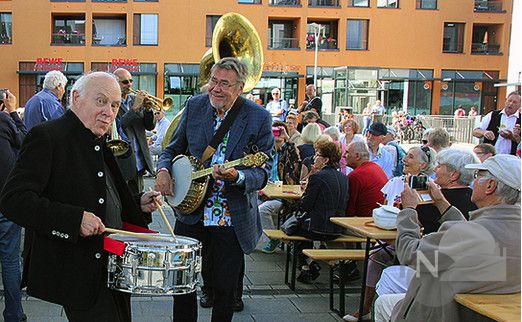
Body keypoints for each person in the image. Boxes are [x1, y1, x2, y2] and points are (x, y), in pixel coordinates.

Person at [0, 72, 161, 321]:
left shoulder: (98, 138)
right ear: (76, 97)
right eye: (101, 101)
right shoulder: (47, 136)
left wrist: (137, 202)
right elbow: (14, 200)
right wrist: (74, 221)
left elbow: (99, 191)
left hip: (113, 268)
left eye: (115, 105)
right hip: (78, 272)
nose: (109, 111)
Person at [154, 57, 273, 322]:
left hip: (230, 216)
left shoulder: (259, 117)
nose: (215, 89)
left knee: (225, 287)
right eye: (213, 81)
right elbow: (172, 148)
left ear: (240, 88)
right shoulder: (195, 105)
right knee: (182, 283)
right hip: (191, 212)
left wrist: (238, 176)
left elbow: (263, 172)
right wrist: (163, 170)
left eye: (224, 84)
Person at [376, 154, 520, 322]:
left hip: (443, 312)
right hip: (480, 313)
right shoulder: (503, 228)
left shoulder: (471, 232)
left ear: (490, 186)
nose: (473, 182)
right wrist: (441, 203)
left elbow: (410, 254)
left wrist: (408, 210)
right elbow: (473, 234)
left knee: (384, 302)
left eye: (478, 176)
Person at [294, 140, 348, 284]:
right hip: (338, 227)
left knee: (293, 229)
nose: (314, 158)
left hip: (319, 227)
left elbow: (305, 205)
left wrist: (306, 189)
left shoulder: (318, 177)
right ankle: (308, 266)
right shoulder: (344, 178)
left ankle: (308, 265)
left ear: (325, 159)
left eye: (317, 155)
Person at [0, 90, 27, 322]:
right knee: (9, 260)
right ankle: (14, 314)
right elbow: (26, 141)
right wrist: (12, 112)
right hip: (6, 202)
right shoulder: (3, 120)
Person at [113, 68, 156, 198]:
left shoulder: (134, 100)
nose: (129, 84)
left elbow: (149, 126)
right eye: (125, 82)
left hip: (139, 161)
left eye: (131, 81)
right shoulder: (112, 102)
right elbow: (120, 125)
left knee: (139, 199)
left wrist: (148, 110)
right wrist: (135, 108)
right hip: (123, 161)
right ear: (116, 83)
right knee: (123, 200)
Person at [260, 122, 300, 254]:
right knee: (250, 205)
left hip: (283, 198)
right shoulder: (266, 152)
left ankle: (271, 239)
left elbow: (296, 158)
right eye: (274, 133)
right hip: (265, 192)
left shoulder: (287, 154)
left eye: (279, 134)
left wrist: (287, 137)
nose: (276, 138)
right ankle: (252, 238)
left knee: (263, 210)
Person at [345, 141, 388, 217]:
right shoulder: (376, 167)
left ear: (357, 156)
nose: (344, 155)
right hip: (380, 217)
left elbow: (349, 210)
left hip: (365, 222)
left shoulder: (355, 176)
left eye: (347, 152)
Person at [473, 91, 521, 155]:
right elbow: (475, 132)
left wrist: (512, 137)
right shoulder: (493, 115)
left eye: (514, 102)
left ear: (520, 105)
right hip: (490, 156)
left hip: (511, 158)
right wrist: (484, 132)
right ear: (505, 101)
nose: (511, 104)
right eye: (509, 101)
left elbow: (519, 142)